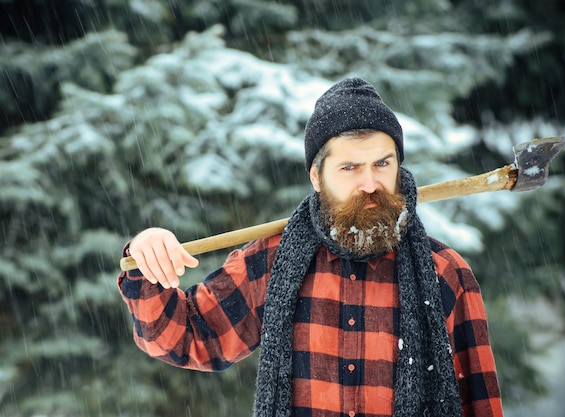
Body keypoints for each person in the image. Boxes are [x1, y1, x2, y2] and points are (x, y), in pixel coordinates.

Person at [117, 77, 503, 417]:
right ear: (316, 177)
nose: (370, 184)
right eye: (350, 168)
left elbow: (480, 402)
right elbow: (188, 337)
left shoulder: (445, 274)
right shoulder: (274, 262)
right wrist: (146, 254)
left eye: (382, 164)